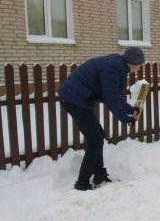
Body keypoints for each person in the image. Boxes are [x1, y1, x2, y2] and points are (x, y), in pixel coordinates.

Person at [58, 47, 145, 191]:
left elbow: (113, 95)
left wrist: (131, 110)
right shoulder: (113, 67)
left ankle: (99, 174)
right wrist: (125, 119)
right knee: (95, 140)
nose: (140, 67)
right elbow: (110, 98)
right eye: (140, 64)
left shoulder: (117, 66)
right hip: (74, 100)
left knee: (99, 136)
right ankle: (82, 182)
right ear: (133, 63)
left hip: (80, 100)